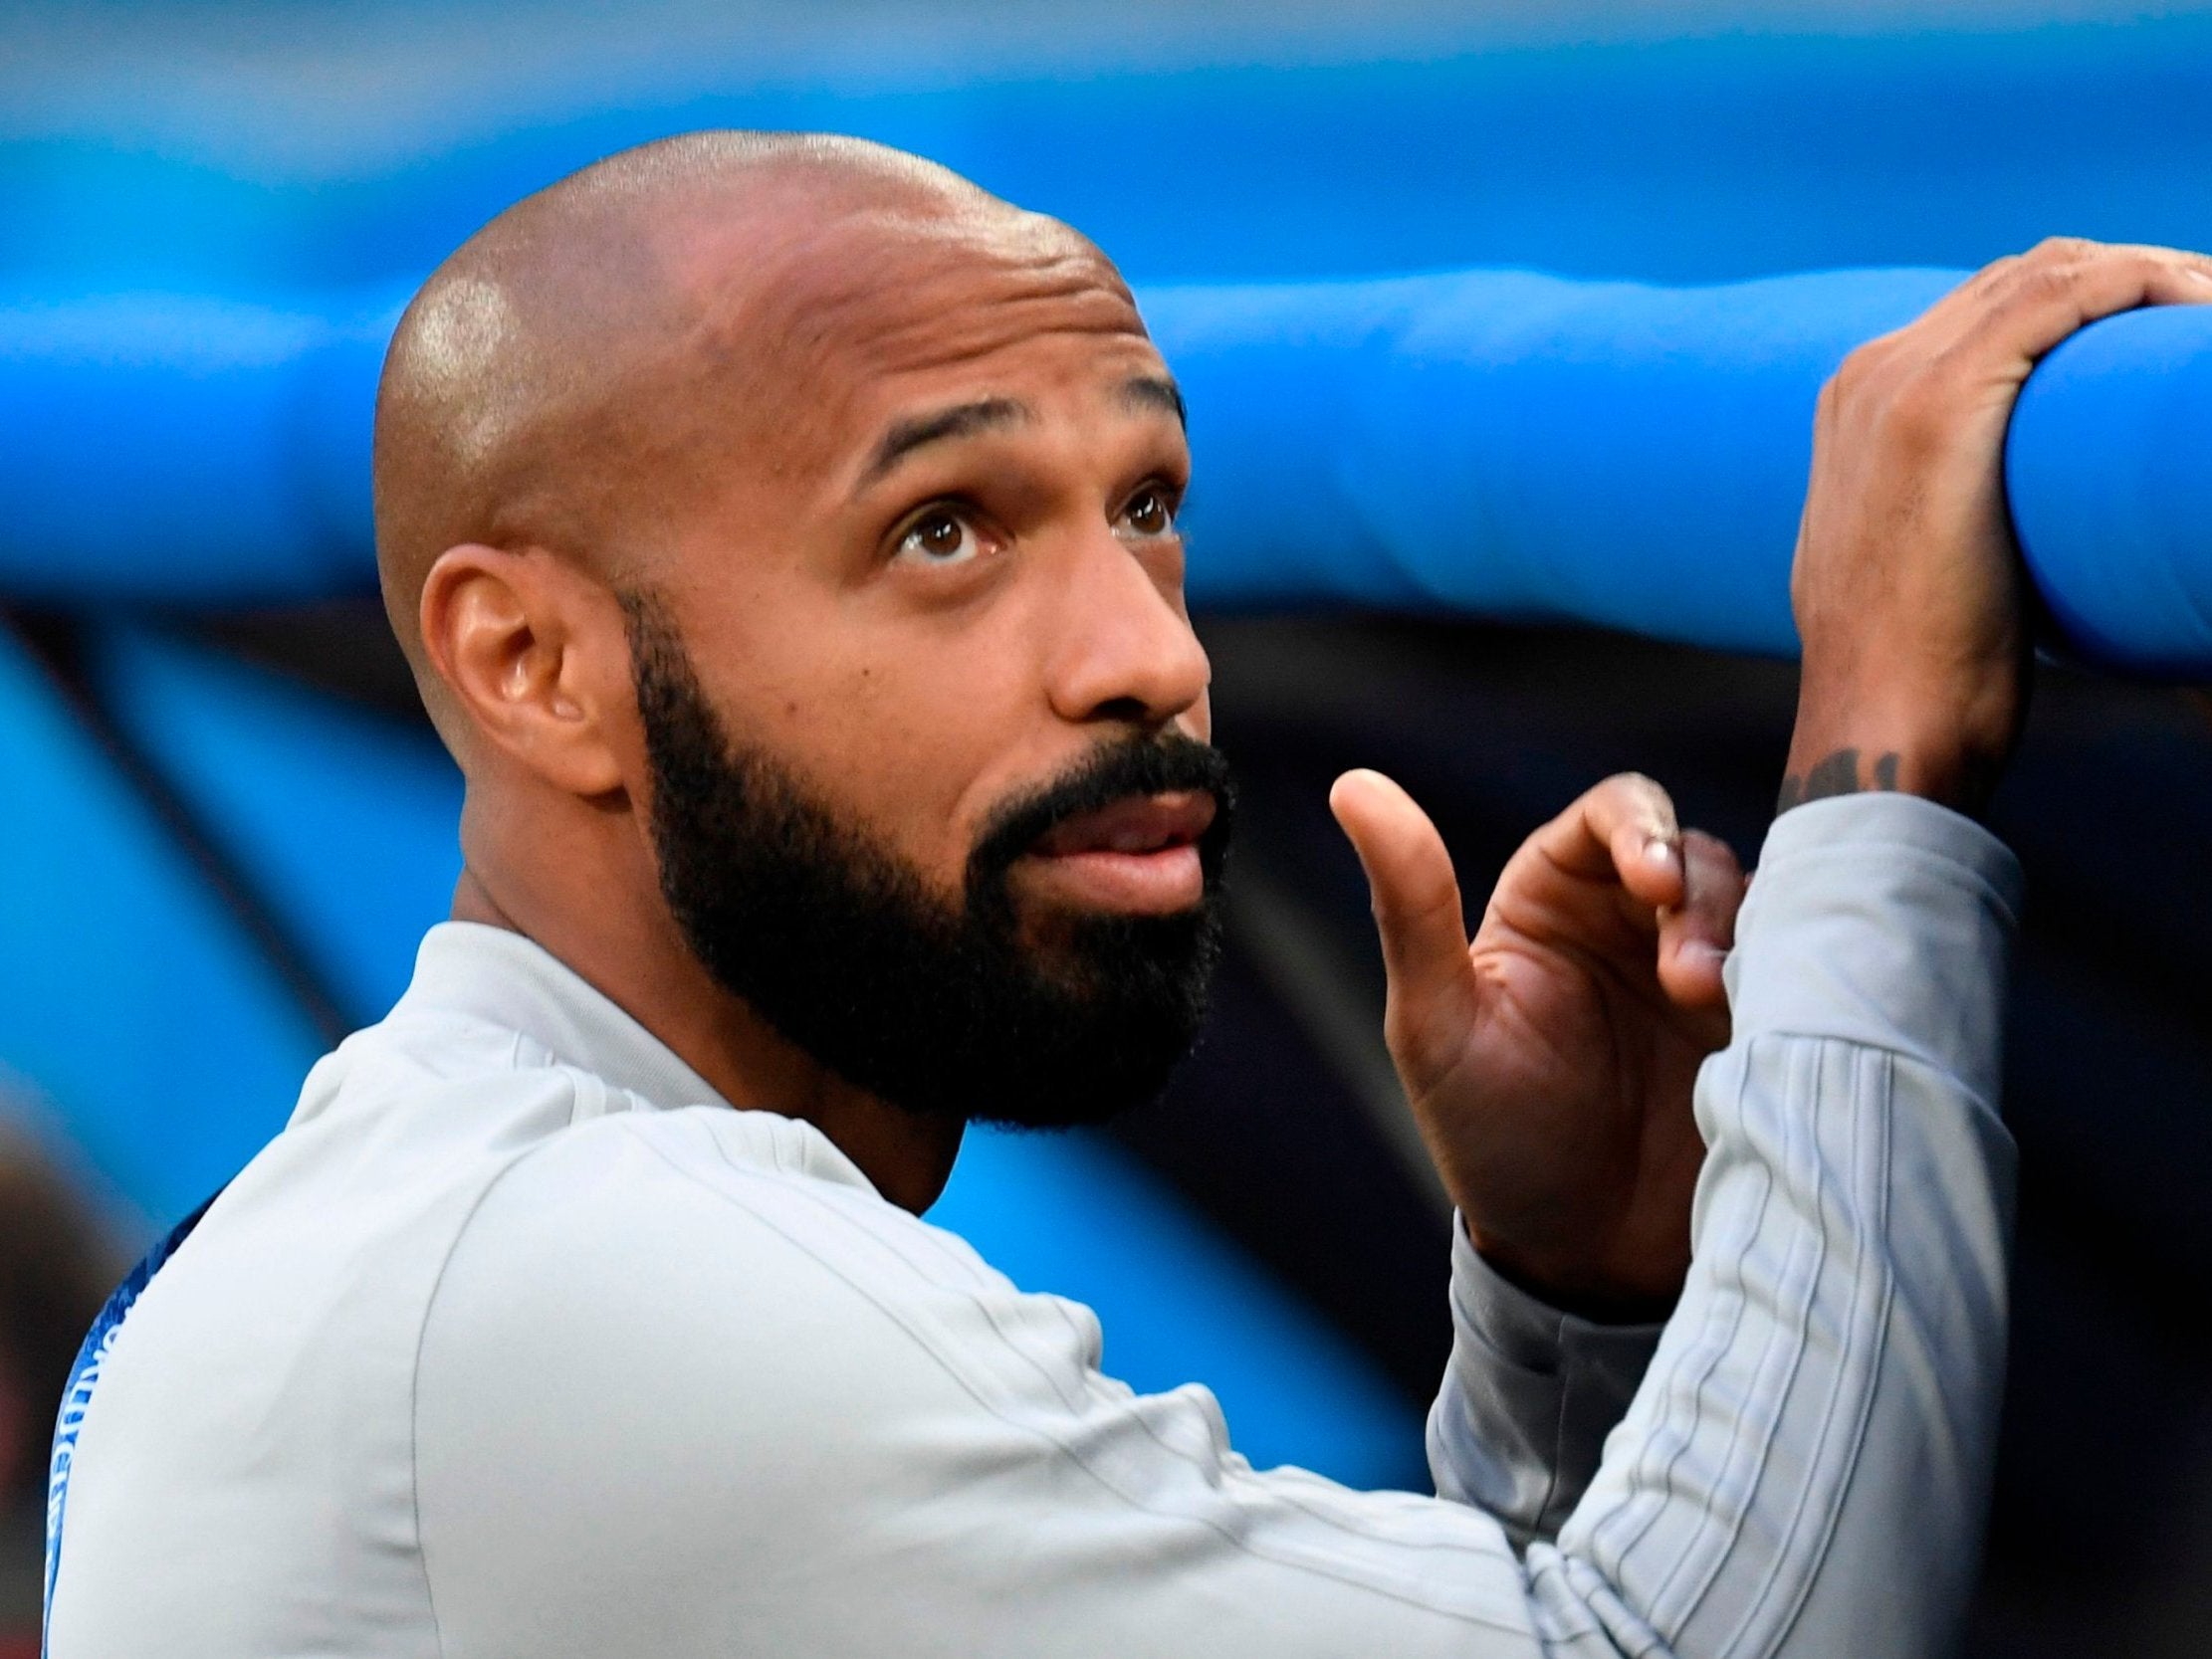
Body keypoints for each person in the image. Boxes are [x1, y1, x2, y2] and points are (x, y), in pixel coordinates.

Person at [40, 132, 2212, 1655]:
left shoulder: (474, 1221)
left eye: (1148, 504)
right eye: (947, 533)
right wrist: (1877, 780)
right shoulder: (574, 1272)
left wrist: (1573, 1308)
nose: (1152, 653)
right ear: (535, 669)